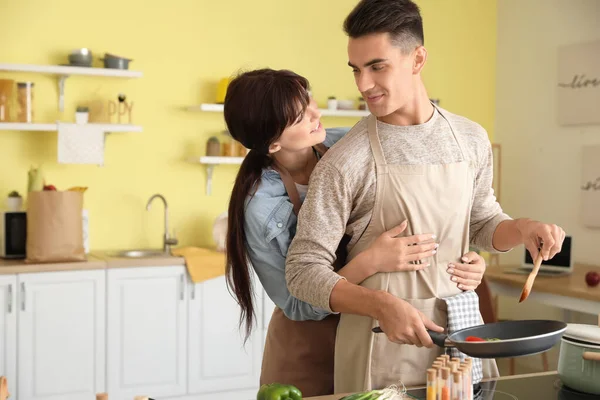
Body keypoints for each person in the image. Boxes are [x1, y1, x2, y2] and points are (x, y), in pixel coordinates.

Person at [285, 0, 566, 393]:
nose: (363, 84)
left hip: (463, 338)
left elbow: (482, 221)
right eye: (356, 70)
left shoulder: (470, 138)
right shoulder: (347, 161)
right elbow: (302, 272)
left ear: (417, 59)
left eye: (377, 66)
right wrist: (379, 304)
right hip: (380, 342)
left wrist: (522, 228)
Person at [222, 68, 487, 397]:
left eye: (309, 101)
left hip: (365, 330)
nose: (315, 114)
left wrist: (468, 259)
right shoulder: (261, 207)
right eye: (298, 116)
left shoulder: (347, 145)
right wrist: (371, 261)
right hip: (308, 344)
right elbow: (298, 303)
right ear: (272, 142)